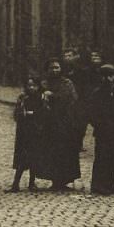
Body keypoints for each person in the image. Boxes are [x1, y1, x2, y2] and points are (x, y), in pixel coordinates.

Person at [40, 58, 81, 191]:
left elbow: (72, 99)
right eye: (52, 68)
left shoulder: (67, 83)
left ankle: (64, 180)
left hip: (65, 122)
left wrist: (52, 96)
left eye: (57, 67)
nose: (54, 70)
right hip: (49, 123)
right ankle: (54, 180)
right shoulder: (44, 83)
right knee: (51, 151)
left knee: (66, 151)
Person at [86, 63, 114, 195]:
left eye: (110, 76)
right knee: (101, 157)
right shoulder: (97, 93)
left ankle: (111, 182)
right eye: (105, 76)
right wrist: (99, 124)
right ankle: (98, 184)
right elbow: (91, 113)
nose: (108, 79)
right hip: (103, 131)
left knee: (113, 156)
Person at [7, 75, 47, 193]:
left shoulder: (41, 98)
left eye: (34, 85)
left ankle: (31, 183)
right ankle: (15, 184)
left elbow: (44, 114)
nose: (31, 88)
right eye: (29, 85)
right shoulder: (23, 98)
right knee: (22, 158)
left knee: (34, 158)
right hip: (24, 132)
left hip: (36, 131)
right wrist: (24, 114)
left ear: (38, 86)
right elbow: (16, 114)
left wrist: (34, 115)